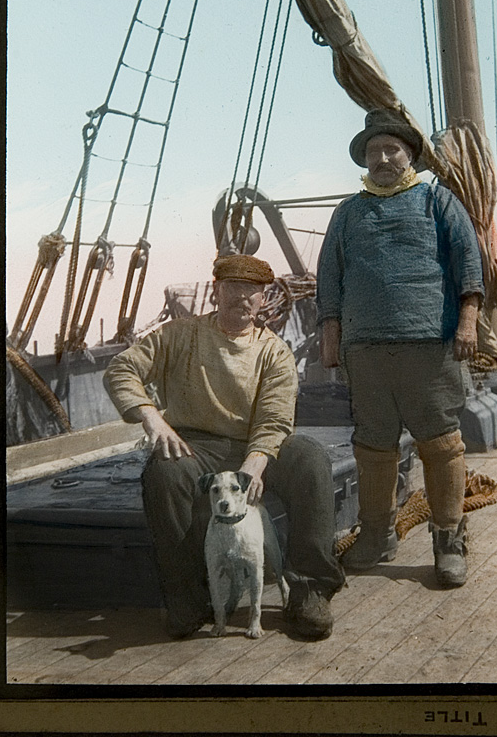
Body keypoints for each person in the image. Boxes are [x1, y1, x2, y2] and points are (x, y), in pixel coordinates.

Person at [104, 254, 345, 640]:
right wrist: (151, 417)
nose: (243, 297)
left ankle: (309, 590)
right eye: (234, 287)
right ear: (216, 290)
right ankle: (190, 599)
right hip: (196, 445)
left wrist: (254, 465)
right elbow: (121, 369)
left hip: (254, 447)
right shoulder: (178, 335)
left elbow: (274, 418)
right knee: (164, 473)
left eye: (252, 291)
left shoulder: (274, 352)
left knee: (311, 460)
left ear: (263, 299)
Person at [316, 108, 485, 587]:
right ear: (366, 160)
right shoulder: (348, 212)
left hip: (428, 347)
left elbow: (468, 261)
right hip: (365, 352)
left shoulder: (438, 201)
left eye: (392, 148)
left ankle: (449, 539)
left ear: (409, 154)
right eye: (374, 150)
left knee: (440, 443)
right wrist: (332, 336)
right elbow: (330, 275)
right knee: (373, 446)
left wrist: (468, 321)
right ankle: (376, 535)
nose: (383, 157)